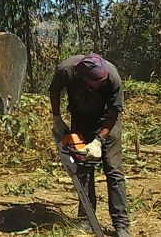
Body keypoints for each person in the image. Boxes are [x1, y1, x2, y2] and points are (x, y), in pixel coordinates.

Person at [50, 53, 130, 237]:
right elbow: (54, 90)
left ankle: (121, 225)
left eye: (100, 83)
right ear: (82, 77)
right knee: (83, 169)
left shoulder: (113, 78)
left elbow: (114, 112)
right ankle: (85, 219)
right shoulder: (66, 70)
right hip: (80, 118)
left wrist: (98, 141)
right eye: (94, 84)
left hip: (107, 122)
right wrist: (57, 117)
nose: (98, 86)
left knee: (114, 170)